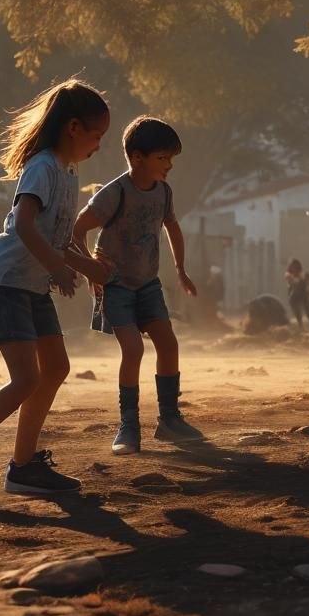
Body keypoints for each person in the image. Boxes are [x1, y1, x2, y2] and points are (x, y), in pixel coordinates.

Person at [0, 80, 112, 503]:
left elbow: (58, 239)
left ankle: (24, 466)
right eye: (96, 135)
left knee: (56, 368)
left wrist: (88, 267)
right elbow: (25, 225)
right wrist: (57, 267)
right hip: (5, 281)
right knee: (26, 378)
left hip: (31, 284)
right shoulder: (43, 167)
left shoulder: (69, 174)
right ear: (73, 127)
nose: (99, 146)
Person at [72, 116, 203, 455]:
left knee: (168, 343)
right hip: (116, 285)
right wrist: (90, 270)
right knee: (133, 349)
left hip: (147, 283)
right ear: (136, 157)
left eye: (171, 158)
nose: (169, 165)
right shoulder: (114, 193)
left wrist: (181, 269)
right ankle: (128, 425)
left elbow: (171, 226)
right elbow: (77, 229)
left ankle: (170, 420)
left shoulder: (163, 191)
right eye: (163, 158)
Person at [285, 258, 309, 333]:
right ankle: (301, 327)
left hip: (303, 295)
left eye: (295, 266)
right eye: (293, 267)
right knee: (298, 313)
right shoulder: (289, 275)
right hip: (294, 296)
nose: (294, 268)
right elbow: (290, 285)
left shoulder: (302, 275)